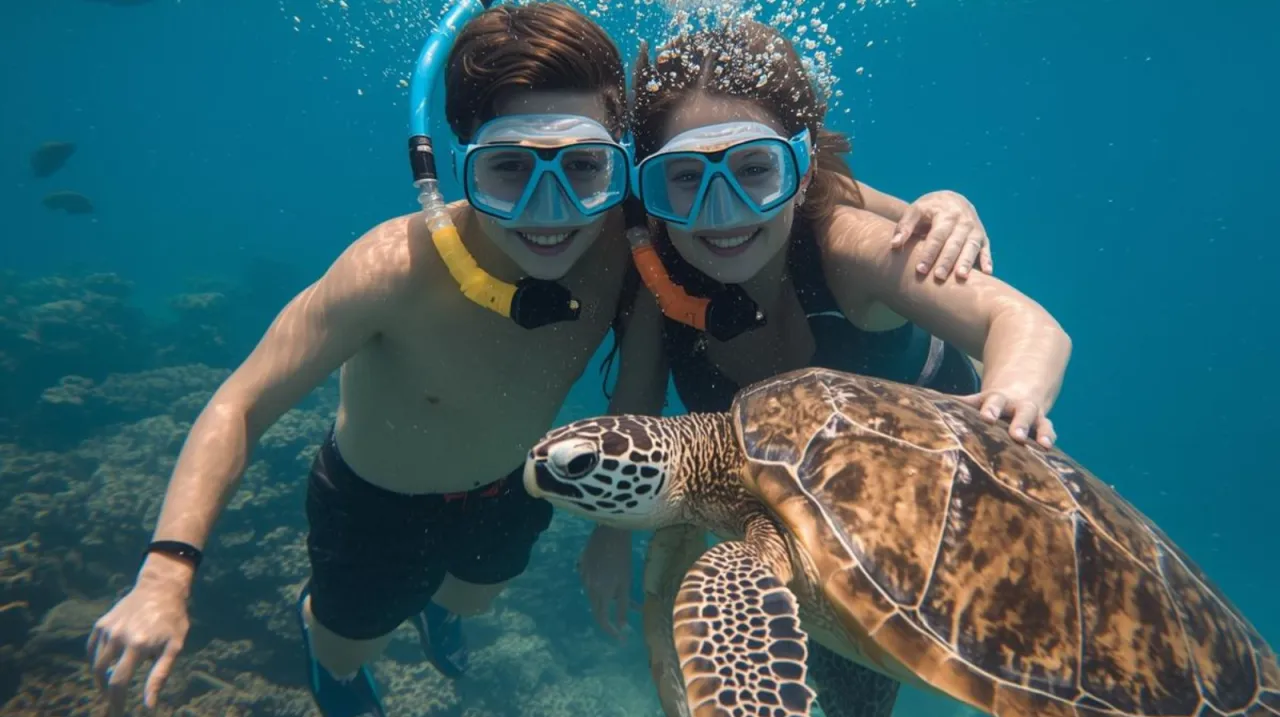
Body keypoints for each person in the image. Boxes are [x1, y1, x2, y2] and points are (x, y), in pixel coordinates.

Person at [84, 4, 1001, 717]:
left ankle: (448, 607)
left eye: (586, 170)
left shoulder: (633, 244)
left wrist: (938, 201)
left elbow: (791, 190)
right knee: (352, 638)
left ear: (621, 169)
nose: (550, 210)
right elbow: (239, 404)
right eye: (510, 170)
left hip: (516, 490)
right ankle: (329, 650)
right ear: (460, 164)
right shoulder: (388, 269)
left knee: (475, 603)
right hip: (374, 502)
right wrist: (167, 569)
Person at [580, 18, 1074, 717]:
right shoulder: (662, 289)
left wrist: (1009, 407)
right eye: (684, 179)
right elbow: (631, 416)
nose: (724, 213)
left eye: (756, 169)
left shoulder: (843, 245)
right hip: (794, 536)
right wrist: (607, 534)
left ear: (802, 165)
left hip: (940, 520)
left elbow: (1027, 324)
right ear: (648, 191)